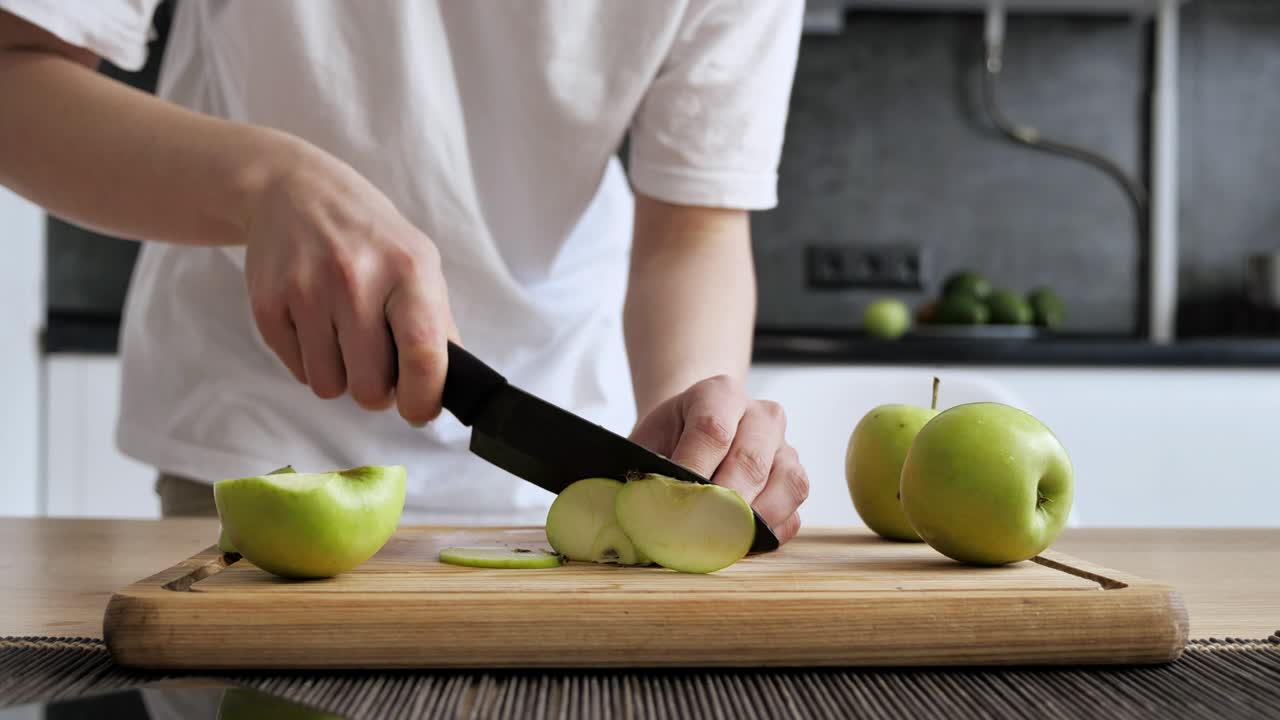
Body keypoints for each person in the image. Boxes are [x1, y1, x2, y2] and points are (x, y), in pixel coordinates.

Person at [0, 2, 809, 541]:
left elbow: (694, 223)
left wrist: (695, 432)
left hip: (566, 474)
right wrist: (264, 184)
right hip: (254, 454)